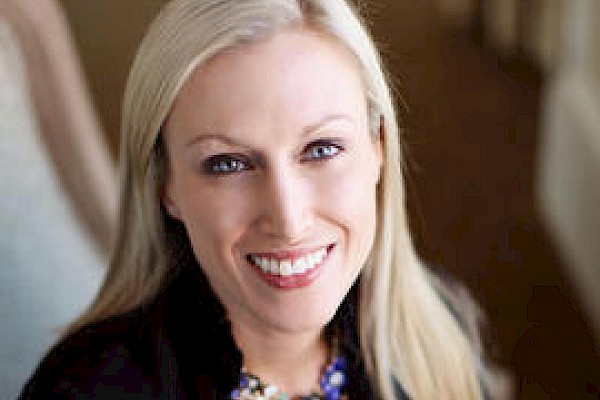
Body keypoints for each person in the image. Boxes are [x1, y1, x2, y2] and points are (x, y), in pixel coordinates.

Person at [18, 0, 507, 399]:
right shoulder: (81, 390)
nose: (289, 220)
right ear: (167, 187)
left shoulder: (440, 328)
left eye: (322, 150)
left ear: (378, 149)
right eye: (228, 164)